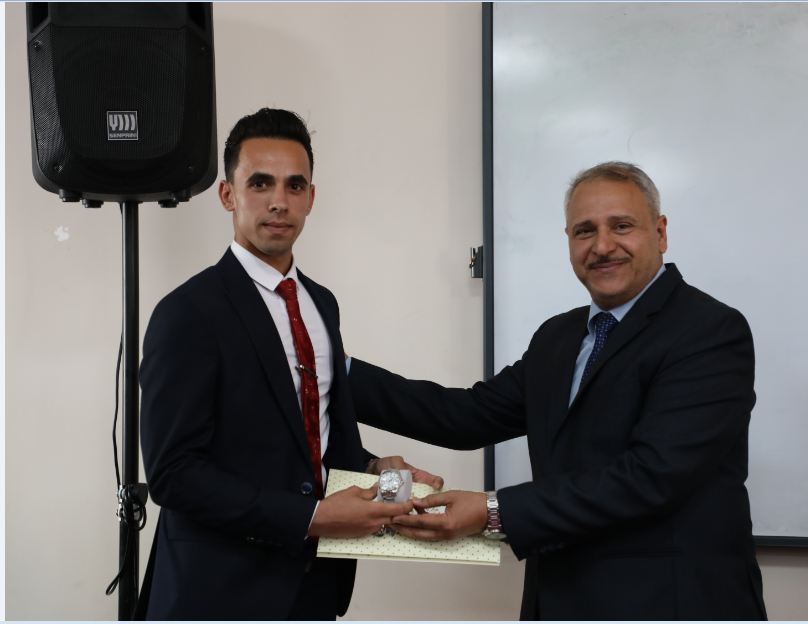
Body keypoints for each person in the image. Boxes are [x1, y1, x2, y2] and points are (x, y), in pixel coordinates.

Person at [349, 162, 767, 620]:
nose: (602, 246)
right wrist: (329, 369)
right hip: (558, 600)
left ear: (661, 233)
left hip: (669, 604)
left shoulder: (709, 330)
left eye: (621, 226)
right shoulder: (558, 337)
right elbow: (464, 416)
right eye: (585, 231)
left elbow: (651, 476)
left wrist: (493, 510)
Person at [139, 108, 440, 620]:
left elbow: (308, 437)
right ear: (227, 195)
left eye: (294, 185)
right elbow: (173, 474)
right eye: (260, 183)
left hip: (314, 587)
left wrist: (372, 466)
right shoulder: (187, 311)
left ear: (311, 198)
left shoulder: (322, 304)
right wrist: (312, 516)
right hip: (216, 593)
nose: (279, 201)